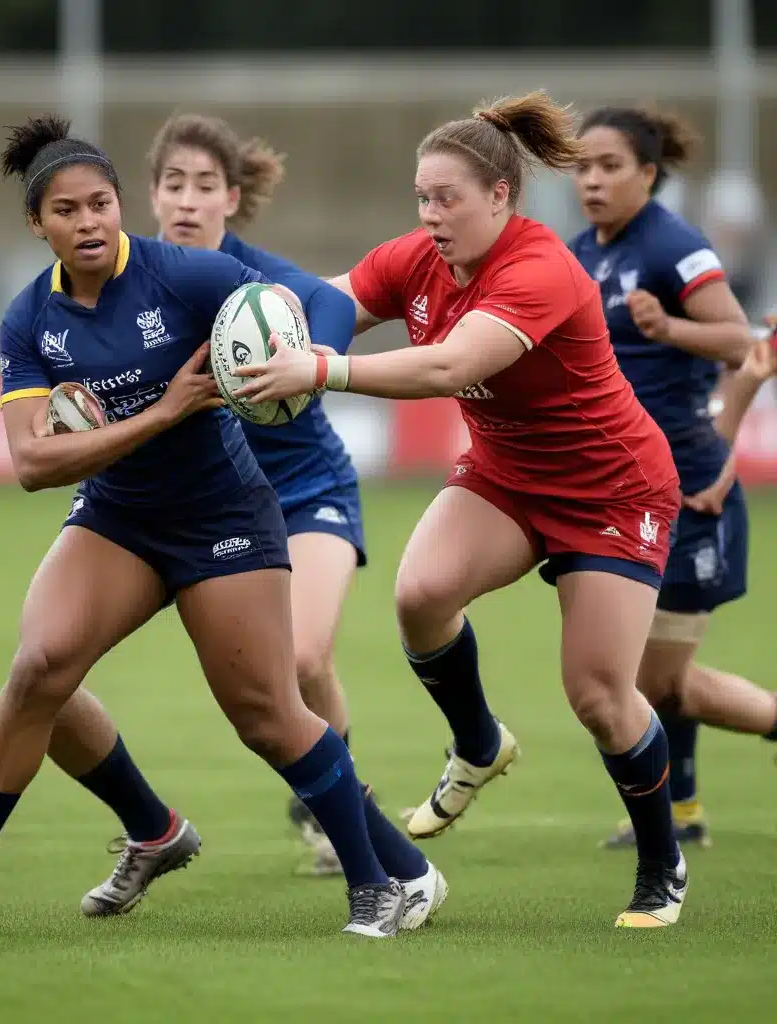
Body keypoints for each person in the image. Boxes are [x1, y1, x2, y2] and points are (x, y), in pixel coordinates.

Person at [0, 115, 442, 939]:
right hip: (120, 517)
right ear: (39, 225)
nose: (89, 222)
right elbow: (31, 464)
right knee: (40, 670)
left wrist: (302, 361)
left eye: (101, 204)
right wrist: (161, 412)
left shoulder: (185, 274)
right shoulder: (29, 321)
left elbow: (320, 300)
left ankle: (374, 884)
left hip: (223, 518)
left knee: (269, 717)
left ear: (119, 204)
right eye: (67, 211)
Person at [233, 91, 690, 928]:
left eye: (447, 198)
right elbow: (327, 300)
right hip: (509, 475)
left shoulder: (540, 268)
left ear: (501, 198)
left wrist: (320, 371)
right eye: (421, 196)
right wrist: (256, 319)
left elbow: (446, 369)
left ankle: (662, 863)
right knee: (419, 595)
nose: (431, 213)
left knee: (597, 694)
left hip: (612, 490)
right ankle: (479, 743)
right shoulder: (418, 258)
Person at [145, 113, 365, 875]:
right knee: (268, 683)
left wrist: (317, 356)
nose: (187, 200)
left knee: (304, 659)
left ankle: (337, 806)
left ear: (232, 198)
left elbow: (333, 305)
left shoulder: (253, 279)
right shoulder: (134, 282)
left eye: (205, 185)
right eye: (173, 183)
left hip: (308, 490)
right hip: (217, 507)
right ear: (151, 195)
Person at [570, 107, 777, 850]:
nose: (591, 180)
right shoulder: (578, 254)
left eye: (609, 166)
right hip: (616, 491)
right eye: (583, 166)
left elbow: (738, 337)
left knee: (656, 681)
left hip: (689, 486)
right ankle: (682, 815)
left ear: (649, 175)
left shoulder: (675, 247)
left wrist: (667, 330)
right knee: (648, 671)